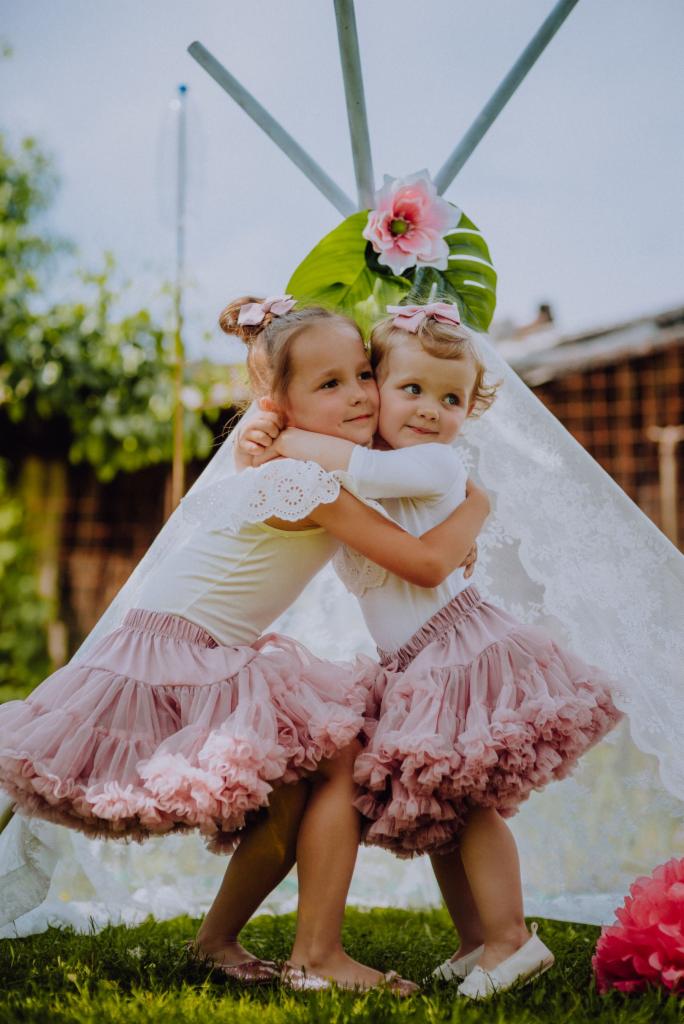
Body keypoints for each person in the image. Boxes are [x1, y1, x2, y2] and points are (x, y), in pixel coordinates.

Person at [0, 296, 489, 993]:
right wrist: (475, 508)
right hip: (179, 652)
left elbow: (396, 504)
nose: (357, 395)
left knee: (295, 794)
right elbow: (420, 561)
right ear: (277, 401)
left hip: (200, 643)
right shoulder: (305, 479)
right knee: (340, 760)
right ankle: (318, 955)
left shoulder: (307, 457)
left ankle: (217, 942)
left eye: (362, 374)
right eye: (329, 385)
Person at [239, 301, 623, 998]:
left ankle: (511, 938)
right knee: (446, 805)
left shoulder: (436, 468)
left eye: (451, 398)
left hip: (457, 651)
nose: (429, 410)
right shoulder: (373, 469)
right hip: (418, 661)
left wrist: (288, 437)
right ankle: (476, 939)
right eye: (410, 389)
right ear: (374, 387)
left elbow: (360, 469)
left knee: (471, 804)